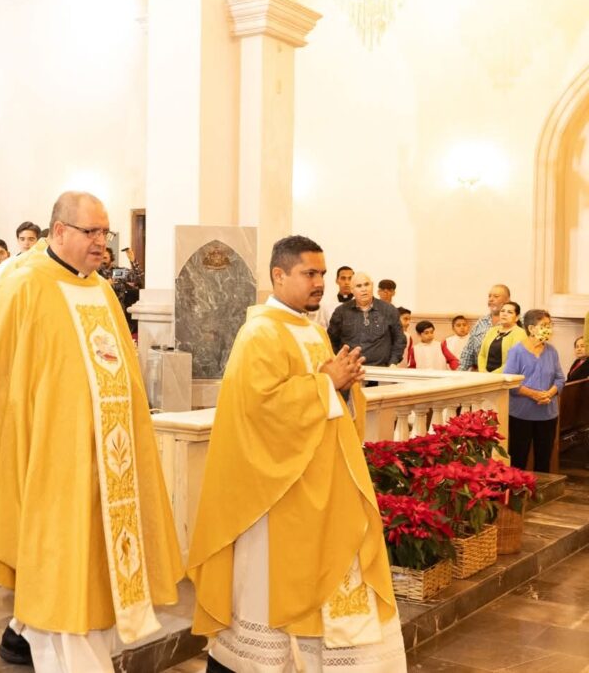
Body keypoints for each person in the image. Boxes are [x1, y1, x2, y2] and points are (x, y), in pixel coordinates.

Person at [0, 191, 182, 672]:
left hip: (108, 460)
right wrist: (17, 445)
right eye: (92, 232)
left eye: (106, 233)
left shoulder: (100, 289)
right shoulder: (23, 287)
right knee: (57, 570)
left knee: (94, 570)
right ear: (59, 232)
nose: (103, 243)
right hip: (51, 461)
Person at [187, 235, 405, 672]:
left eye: (323, 274)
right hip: (275, 493)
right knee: (271, 591)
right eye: (310, 273)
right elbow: (261, 408)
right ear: (278, 275)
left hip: (322, 483)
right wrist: (328, 385)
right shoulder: (259, 334)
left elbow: (330, 402)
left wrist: (344, 385)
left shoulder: (312, 330)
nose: (320, 282)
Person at [504, 309, 564, 472]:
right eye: (544, 325)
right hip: (522, 415)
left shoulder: (551, 351)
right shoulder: (516, 351)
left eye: (550, 325)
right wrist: (534, 394)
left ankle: (539, 493)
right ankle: (516, 491)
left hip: (548, 414)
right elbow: (510, 382)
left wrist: (549, 393)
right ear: (531, 329)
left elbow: (560, 379)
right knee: (518, 457)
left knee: (543, 458)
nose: (549, 329)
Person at [327, 272, 406, 367]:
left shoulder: (389, 310)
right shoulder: (341, 312)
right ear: (352, 290)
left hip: (382, 371)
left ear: (372, 285)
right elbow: (331, 340)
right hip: (350, 371)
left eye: (366, 284)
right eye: (359, 286)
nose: (364, 289)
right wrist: (340, 362)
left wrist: (393, 362)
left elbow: (399, 339)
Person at [458, 284, 510, 371]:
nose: (491, 299)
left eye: (496, 296)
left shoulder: (516, 322)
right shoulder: (481, 322)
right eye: (489, 296)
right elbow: (468, 351)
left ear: (507, 300)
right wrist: (459, 373)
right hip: (481, 374)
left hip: (506, 376)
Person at [477, 301, 526, 373]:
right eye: (502, 311)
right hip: (485, 376)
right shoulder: (492, 330)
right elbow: (482, 355)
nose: (504, 314)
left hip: (506, 378)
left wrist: (493, 375)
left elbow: (513, 361)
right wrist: (483, 371)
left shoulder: (520, 333)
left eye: (509, 312)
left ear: (517, 317)